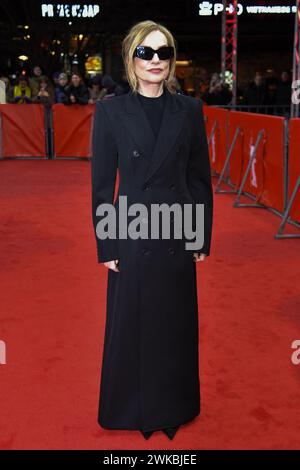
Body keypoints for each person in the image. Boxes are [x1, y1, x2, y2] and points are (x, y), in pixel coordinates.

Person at [91, 20, 213, 441]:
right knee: (132, 323)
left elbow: (199, 179)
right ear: (131, 58)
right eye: (146, 52)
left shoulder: (190, 110)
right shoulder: (109, 112)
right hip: (131, 231)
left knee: (174, 324)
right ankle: (129, 407)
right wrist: (107, 242)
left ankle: (174, 405)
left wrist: (199, 236)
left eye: (164, 52)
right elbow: (103, 185)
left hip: (178, 232)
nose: (156, 60)